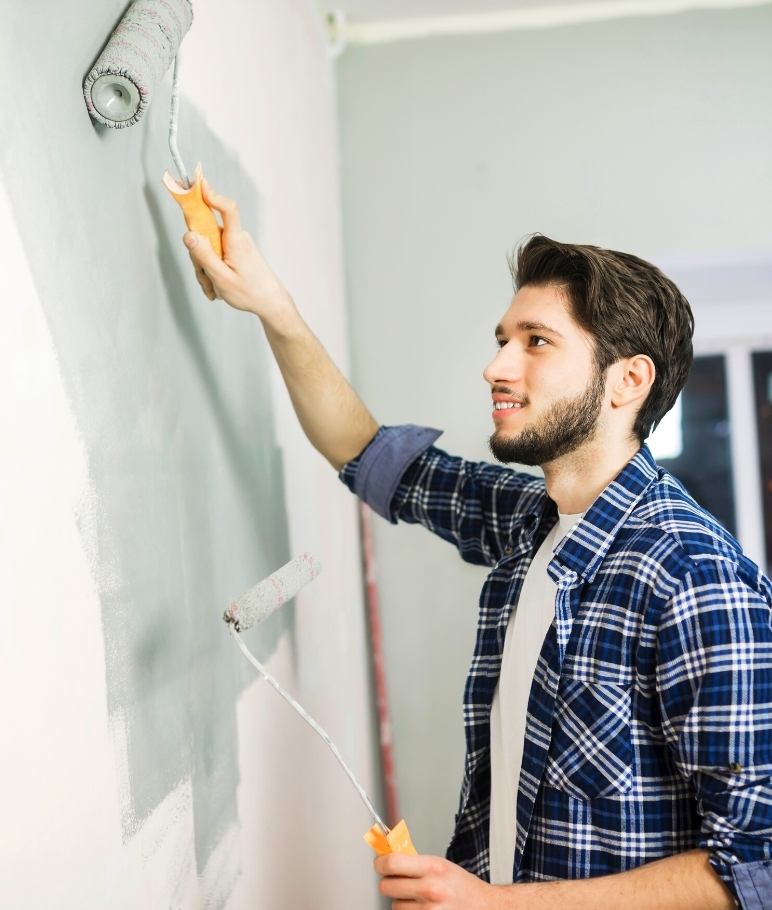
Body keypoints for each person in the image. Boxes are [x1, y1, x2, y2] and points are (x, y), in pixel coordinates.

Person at [182, 181, 772, 910]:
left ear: (628, 381)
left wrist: (492, 905)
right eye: (502, 340)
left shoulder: (694, 576)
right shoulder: (534, 520)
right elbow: (367, 454)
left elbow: (753, 868)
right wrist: (272, 305)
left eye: (536, 342)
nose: (496, 367)